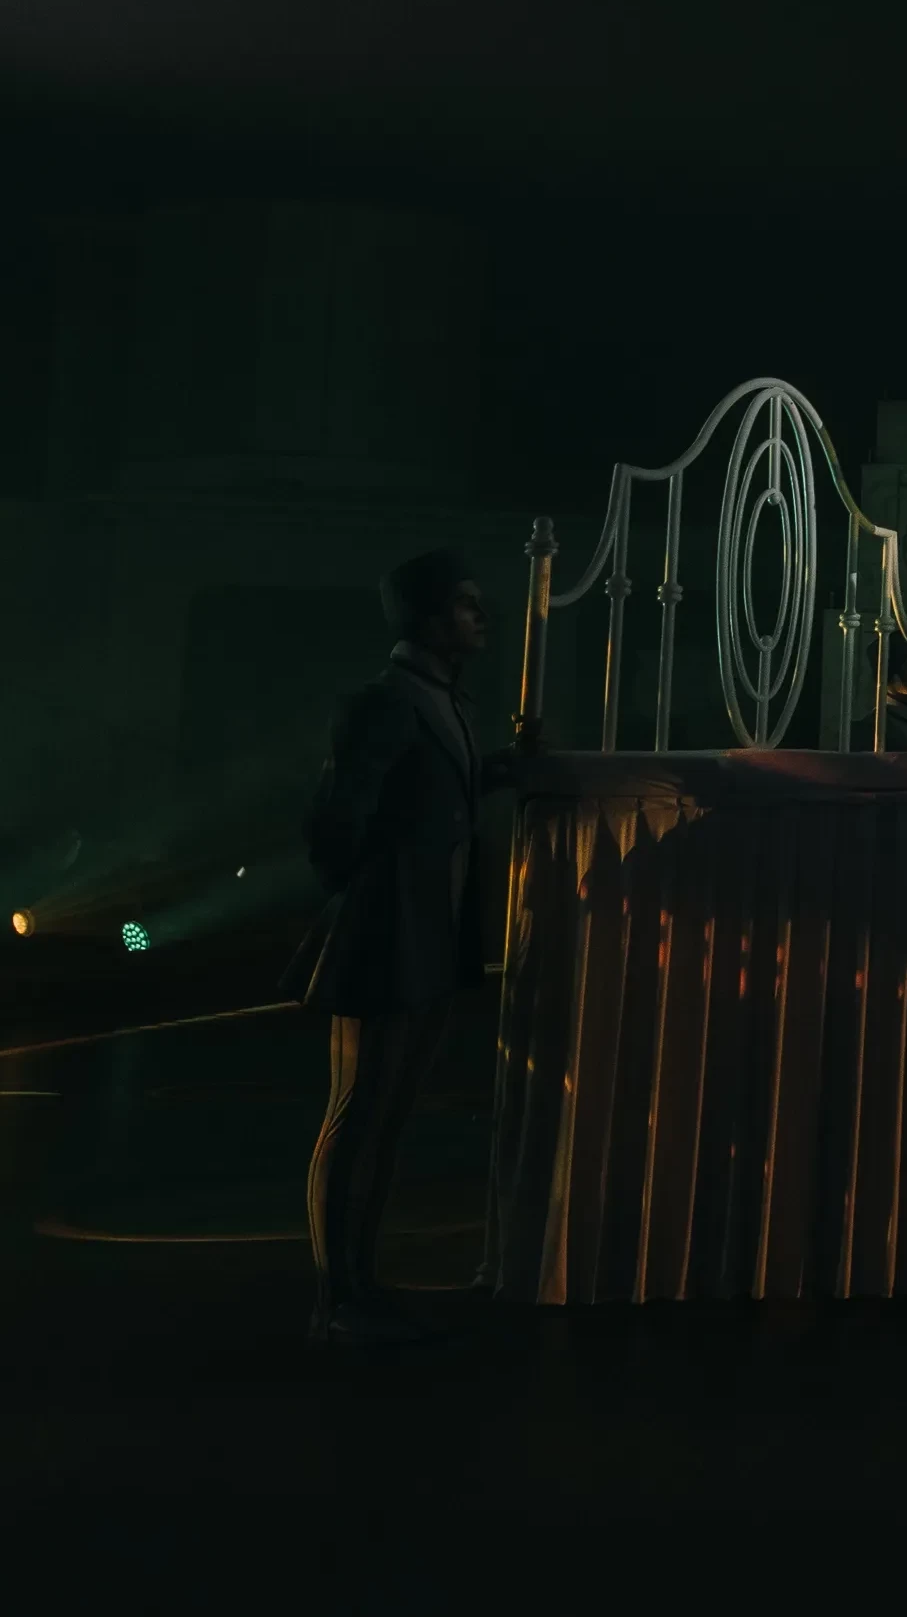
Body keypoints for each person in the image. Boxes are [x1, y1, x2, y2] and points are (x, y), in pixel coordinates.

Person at [287, 547, 512, 1347]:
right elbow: (333, 822)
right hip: (389, 933)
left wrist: (504, 769)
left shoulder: (440, 699)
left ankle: (359, 1284)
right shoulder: (387, 702)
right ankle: (336, 1297)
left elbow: (429, 792)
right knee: (358, 1115)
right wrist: (374, 895)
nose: (480, 614)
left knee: (384, 1118)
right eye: (465, 603)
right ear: (428, 617)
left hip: (427, 935)